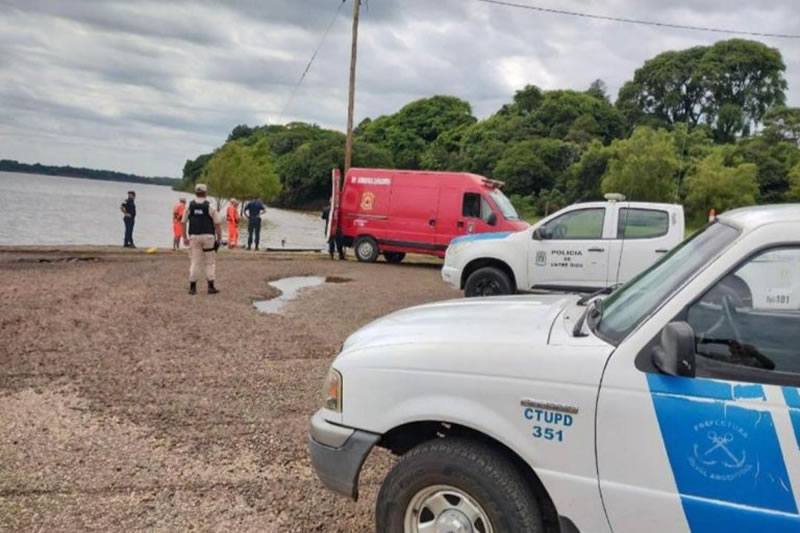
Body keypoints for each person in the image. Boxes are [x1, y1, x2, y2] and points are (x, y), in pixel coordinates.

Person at [182, 184, 222, 295]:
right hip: (208, 237)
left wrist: (184, 237)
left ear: (195, 192)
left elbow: (183, 222)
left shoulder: (190, 206)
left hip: (194, 237)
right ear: (205, 193)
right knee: (210, 262)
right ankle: (210, 286)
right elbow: (217, 223)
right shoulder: (210, 206)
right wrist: (219, 238)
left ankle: (192, 287)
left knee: (195, 261)